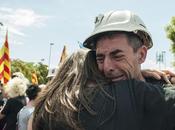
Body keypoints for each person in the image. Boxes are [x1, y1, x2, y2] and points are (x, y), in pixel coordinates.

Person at [32, 48, 175, 130]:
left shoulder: (42, 107)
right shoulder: (109, 99)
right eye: (100, 61)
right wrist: (138, 76)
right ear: (93, 71)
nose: (106, 69)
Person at [78, 10, 175, 130]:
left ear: (141, 55)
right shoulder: (88, 101)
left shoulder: (167, 96)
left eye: (117, 56)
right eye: (100, 58)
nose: (107, 67)